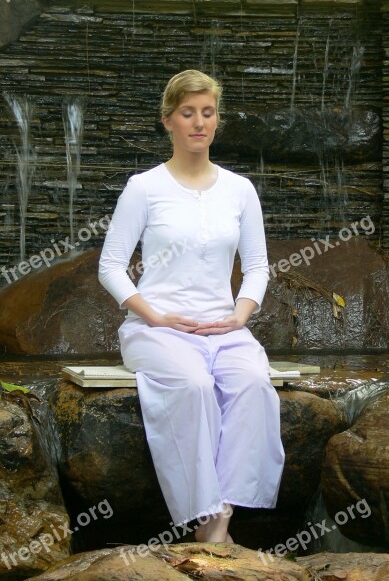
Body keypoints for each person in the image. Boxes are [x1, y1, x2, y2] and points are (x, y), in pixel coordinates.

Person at [98, 69, 285, 544]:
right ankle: (205, 521)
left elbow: (258, 266)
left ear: (216, 120)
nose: (199, 122)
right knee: (196, 385)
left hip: (226, 329)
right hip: (157, 330)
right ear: (169, 121)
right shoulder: (144, 187)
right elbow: (111, 266)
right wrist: (153, 314)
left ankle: (219, 517)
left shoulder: (239, 190)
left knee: (254, 386)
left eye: (208, 112)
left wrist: (241, 315)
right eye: (188, 113)